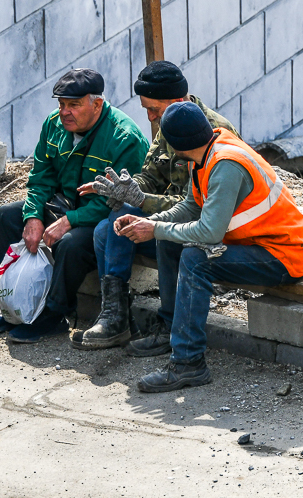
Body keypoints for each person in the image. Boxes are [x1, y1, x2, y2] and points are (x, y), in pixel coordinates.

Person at [112, 102, 303, 392]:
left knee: (196, 257)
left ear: (177, 143)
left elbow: (209, 232)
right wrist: (151, 222)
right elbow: (190, 208)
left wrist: (154, 227)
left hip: (282, 255)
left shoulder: (225, 164)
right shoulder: (204, 152)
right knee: (169, 242)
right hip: (253, 244)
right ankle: (170, 330)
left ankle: (188, 363)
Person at [72, 61, 239, 350]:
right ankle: (116, 316)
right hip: (180, 219)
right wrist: (126, 188)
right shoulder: (168, 122)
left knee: (143, 230)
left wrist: (141, 203)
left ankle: (158, 324)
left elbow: (198, 206)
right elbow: (150, 176)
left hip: (211, 233)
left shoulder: (209, 132)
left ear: (176, 102)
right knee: (105, 230)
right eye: (147, 109)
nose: (150, 118)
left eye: (154, 110)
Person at [0, 69, 149, 344]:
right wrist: (33, 216)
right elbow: (40, 178)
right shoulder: (53, 124)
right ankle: (12, 307)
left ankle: (53, 315)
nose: (64, 112)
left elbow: (118, 200)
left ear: (96, 104)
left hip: (100, 216)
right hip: (62, 205)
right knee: (7, 216)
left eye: (74, 105)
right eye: (61, 105)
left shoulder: (124, 138)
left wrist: (71, 219)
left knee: (72, 243)